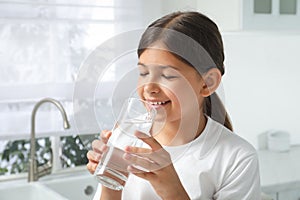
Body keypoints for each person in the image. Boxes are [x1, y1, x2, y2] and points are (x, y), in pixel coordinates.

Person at [87, 11, 261, 200]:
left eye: (167, 75)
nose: (149, 87)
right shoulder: (124, 137)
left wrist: (173, 190)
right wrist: (110, 182)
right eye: (143, 73)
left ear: (207, 83)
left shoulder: (237, 158)